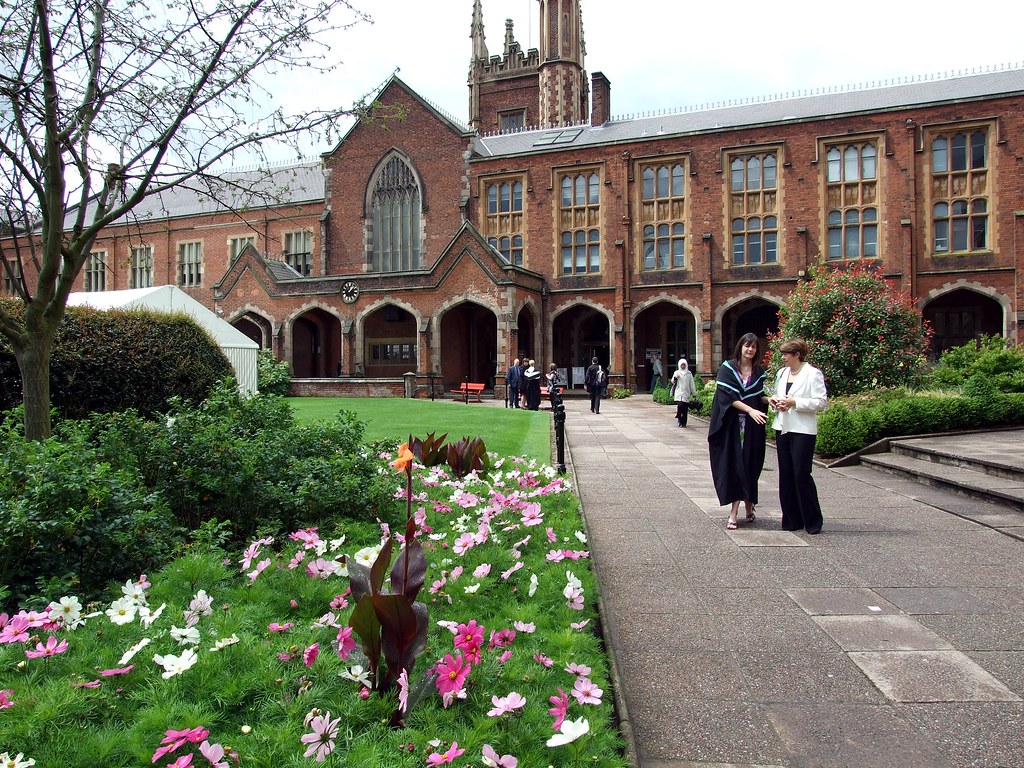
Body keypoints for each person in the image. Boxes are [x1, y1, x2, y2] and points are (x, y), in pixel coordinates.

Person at [707, 333, 769, 530]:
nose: (750, 350)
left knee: (750, 465)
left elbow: (758, 397)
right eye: (747, 346)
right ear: (740, 347)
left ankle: (749, 505)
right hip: (731, 427)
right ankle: (734, 513)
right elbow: (727, 398)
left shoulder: (759, 372)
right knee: (735, 466)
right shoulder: (727, 369)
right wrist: (750, 410)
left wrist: (770, 400)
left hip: (752, 428)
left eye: (753, 347)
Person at [770, 338, 828, 535]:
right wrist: (776, 402)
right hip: (783, 426)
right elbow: (778, 394)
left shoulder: (813, 374)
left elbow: (821, 402)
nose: (783, 358)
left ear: (797, 355)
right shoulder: (782, 373)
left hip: (803, 429)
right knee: (786, 474)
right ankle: (791, 519)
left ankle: (812, 520)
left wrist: (796, 402)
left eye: (786, 354)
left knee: (801, 473)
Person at [669, 358, 698, 427]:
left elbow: (692, 384)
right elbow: (672, 381)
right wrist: (675, 378)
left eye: (684, 365)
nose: (683, 366)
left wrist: (694, 393)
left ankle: (684, 423)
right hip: (679, 393)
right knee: (680, 406)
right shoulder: (677, 372)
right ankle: (679, 419)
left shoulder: (689, 373)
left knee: (685, 409)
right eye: (682, 365)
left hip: (686, 393)